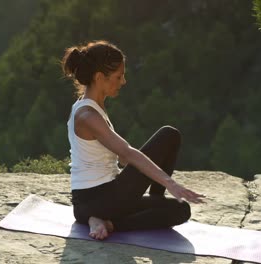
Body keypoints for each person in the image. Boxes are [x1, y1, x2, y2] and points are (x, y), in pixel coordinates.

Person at [62, 40, 205, 240]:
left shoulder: (92, 107)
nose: (123, 82)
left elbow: (119, 159)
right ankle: (107, 222)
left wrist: (140, 173)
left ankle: (152, 201)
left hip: (108, 195)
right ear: (99, 77)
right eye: (118, 76)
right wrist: (170, 182)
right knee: (168, 134)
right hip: (95, 200)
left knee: (181, 210)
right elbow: (127, 153)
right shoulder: (87, 116)